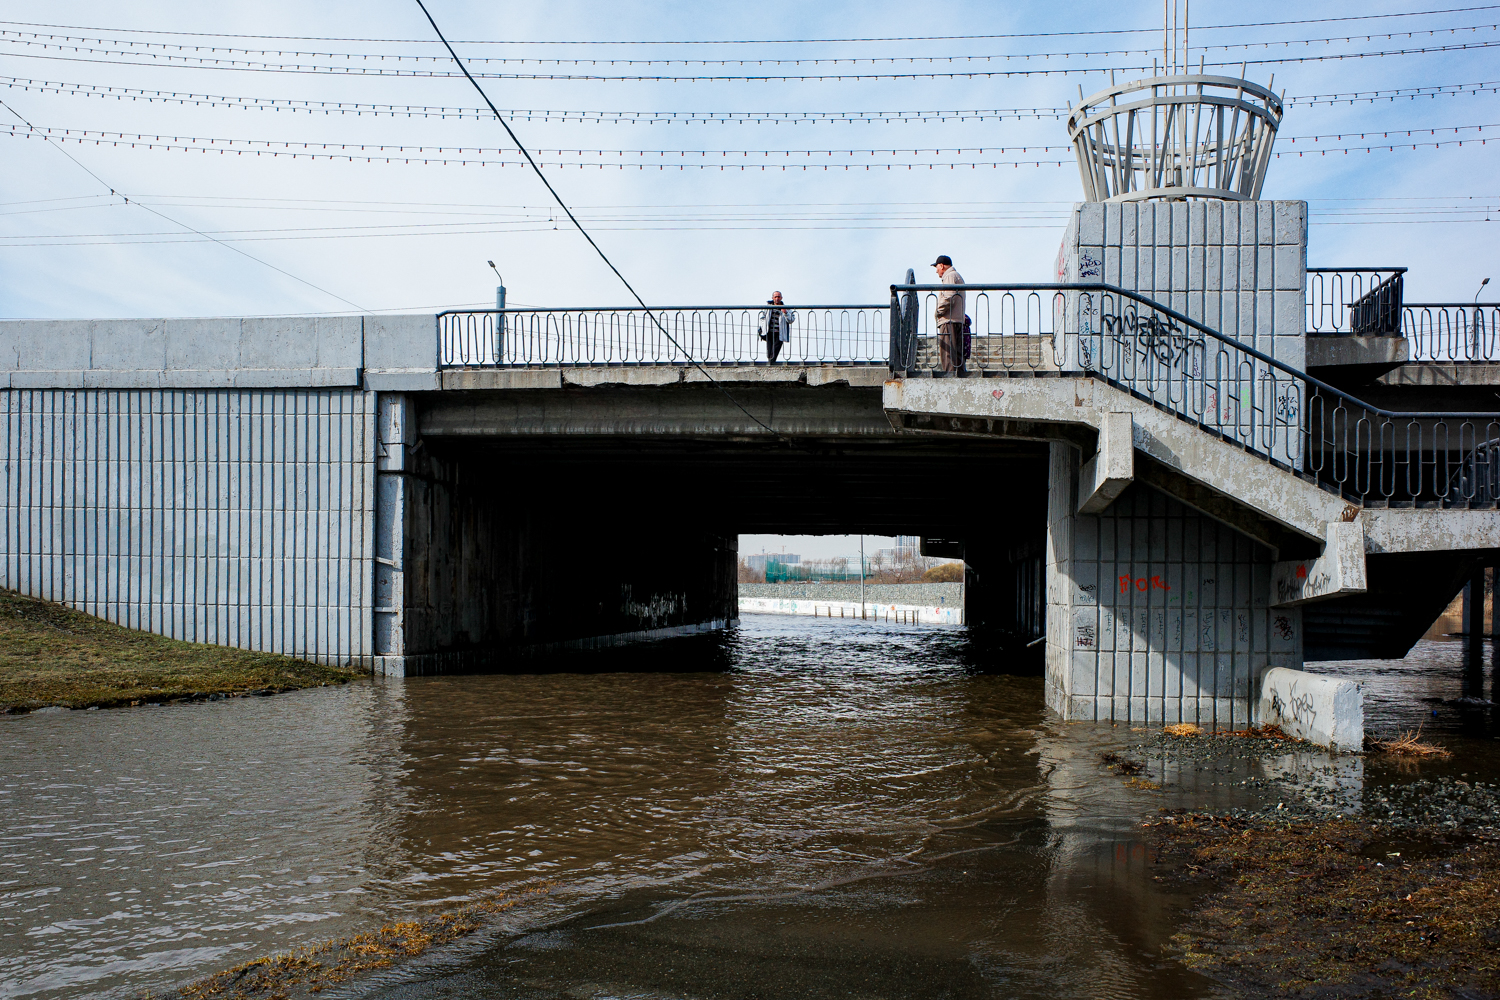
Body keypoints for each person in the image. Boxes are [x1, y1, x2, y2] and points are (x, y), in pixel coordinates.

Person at [931, 256, 966, 374]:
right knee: (956, 355)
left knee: (948, 355)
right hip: (957, 319)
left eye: (936, 267)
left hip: (948, 320)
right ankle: (959, 378)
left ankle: (949, 379)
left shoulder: (950, 276)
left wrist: (938, 312)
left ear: (941, 265)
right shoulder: (956, 275)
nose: (936, 271)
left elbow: (949, 296)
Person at [759, 291, 795, 362]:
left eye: (778, 297)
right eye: (775, 297)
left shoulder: (786, 308)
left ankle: (771, 364)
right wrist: (763, 328)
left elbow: (791, 320)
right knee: (769, 353)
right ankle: (770, 364)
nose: (777, 298)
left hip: (779, 333)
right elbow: (762, 317)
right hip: (769, 332)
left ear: (781, 298)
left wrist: (785, 313)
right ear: (772, 298)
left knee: (775, 352)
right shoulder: (768, 307)